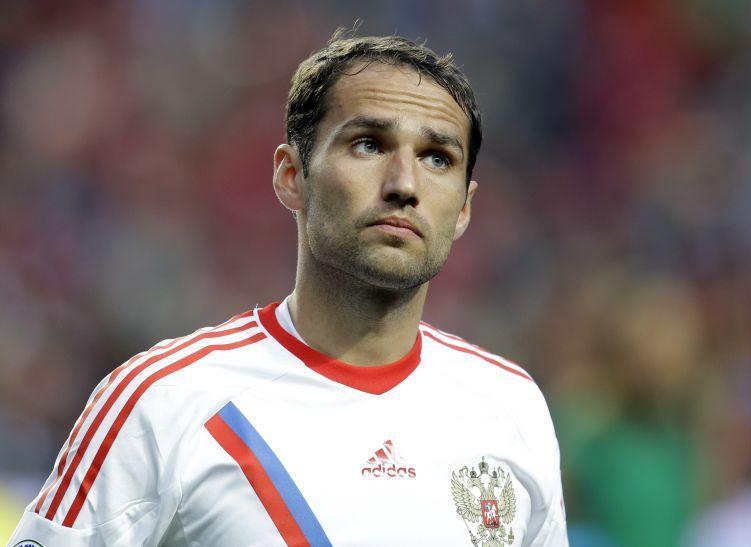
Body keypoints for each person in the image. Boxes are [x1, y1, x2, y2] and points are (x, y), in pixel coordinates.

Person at [9, 31, 568, 546]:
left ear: (465, 207)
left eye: (437, 158)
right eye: (369, 145)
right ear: (290, 175)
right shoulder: (162, 401)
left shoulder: (511, 407)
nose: (404, 184)